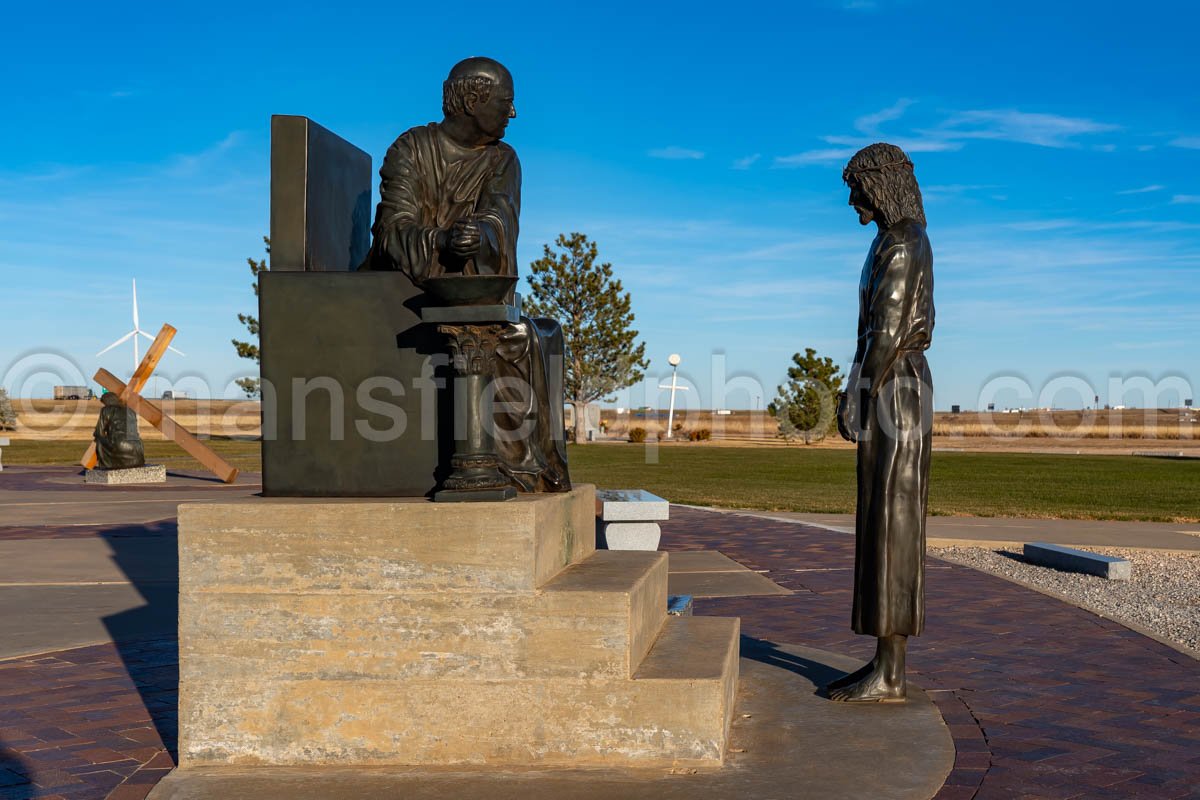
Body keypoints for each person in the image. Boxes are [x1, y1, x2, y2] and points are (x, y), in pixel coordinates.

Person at [362, 57, 569, 492]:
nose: (513, 114)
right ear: (474, 100)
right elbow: (390, 232)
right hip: (404, 297)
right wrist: (441, 240)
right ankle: (498, 468)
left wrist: (482, 236)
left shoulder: (502, 159)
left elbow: (500, 216)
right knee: (518, 338)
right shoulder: (412, 149)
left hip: (465, 294)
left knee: (547, 332)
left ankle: (525, 466)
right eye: (506, 103)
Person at [828, 143, 934, 703]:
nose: (852, 201)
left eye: (857, 188)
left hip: (898, 388)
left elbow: (887, 335)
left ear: (881, 185)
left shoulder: (904, 242)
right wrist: (856, 382)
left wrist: (858, 391)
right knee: (878, 519)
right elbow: (867, 333)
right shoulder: (886, 242)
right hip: (887, 383)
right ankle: (880, 661)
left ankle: (891, 672)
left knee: (893, 522)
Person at [93, 392, 145, 470]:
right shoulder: (131, 411)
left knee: (99, 440)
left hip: (120, 444)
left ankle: (107, 465)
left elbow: (99, 432)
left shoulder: (106, 410)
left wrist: (98, 435)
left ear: (107, 401)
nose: (104, 405)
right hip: (138, 447)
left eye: (104, 403)